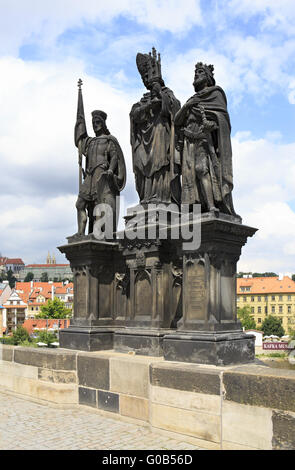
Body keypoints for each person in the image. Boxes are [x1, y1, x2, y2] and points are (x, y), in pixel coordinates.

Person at [175, 62, 237, 216]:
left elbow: (222, 118)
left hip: (204, 139)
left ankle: (211, 206)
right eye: (195, 73)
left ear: (208, 77)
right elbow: (177, 121)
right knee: (189, 175)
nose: (196, 75)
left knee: (202, 169)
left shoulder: (216, 94)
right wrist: (187, 106)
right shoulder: (192, 99)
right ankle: (196, 207)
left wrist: (213, 125)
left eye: (200, 72)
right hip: (189, 141)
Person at [130, 48, 181, 205]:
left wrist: (160, 93)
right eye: (145, 77)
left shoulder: (167, 93)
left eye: (149, 75)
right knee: (141, 165)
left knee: (160, 164)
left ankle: (162, 197)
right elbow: (134, 115)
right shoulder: (142, 100)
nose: (147, 79)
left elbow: (176, 109)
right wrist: (149, 106)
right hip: (144, 140)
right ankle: (146, 197)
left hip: (160, 134)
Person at [74, 107, 126, 237]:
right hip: (90, 175)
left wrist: (110, 170)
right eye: (93, 123)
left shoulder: (109, 139)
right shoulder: (90, 141)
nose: (95, 125)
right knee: (80, 203)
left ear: (103, 123)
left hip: (101, 173)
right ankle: (80, 232)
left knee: (98, 204)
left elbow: (114, 156)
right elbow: (79, 141)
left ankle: (97, 232)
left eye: (97, 123)